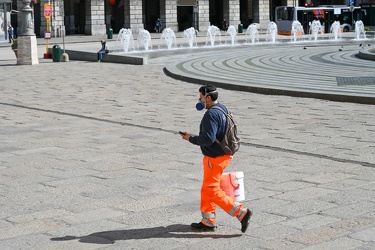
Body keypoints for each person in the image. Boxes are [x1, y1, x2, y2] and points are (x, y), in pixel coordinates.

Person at [179, 84, 252, 233]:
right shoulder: (222, 108)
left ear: (208, 97)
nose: (199, 100)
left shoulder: (210, 114)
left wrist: (190, 138)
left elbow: (208, 139)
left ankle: (241, 212)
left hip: (215, 158)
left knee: (212, 190)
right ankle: (208, 220)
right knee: (206, 189)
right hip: (222, 154)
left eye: (201, 97)